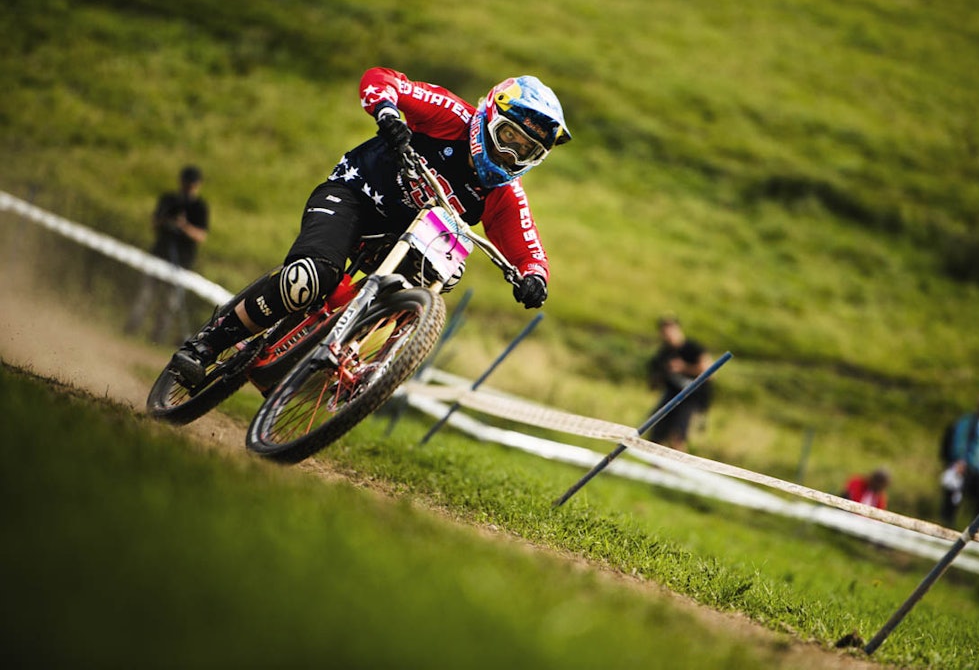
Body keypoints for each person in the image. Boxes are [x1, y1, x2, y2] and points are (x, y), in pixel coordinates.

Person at [168, 68, 570, 387]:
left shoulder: (505, 193)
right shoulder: (451, 116)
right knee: (309, 278)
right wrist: (388, 113)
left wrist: (534, 278)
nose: (510, 153)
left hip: (404, 239)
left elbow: (528, 249)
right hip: (354, 196)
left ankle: (360, 357)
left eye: (525, 150)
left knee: (448, 270)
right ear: (490, 117)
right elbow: (383, 79)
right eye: (508, 137)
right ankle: (207, 345)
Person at [125, 165, 210, 344]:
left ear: (197, 185)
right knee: (145, 296)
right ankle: (129, 331)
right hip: (159, 256)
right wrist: (167, 221)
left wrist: (184, 227)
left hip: (181, 263)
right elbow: (154, 222)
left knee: (169, 305)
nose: (188, 188)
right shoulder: (169, 200)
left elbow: (201, 235)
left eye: (191, 185)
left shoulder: (200, 207)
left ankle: (157, 339)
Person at [645, 316, 713, 452]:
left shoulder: (692, 348)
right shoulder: (664, 353)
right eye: (664, 331)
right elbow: (655, 379)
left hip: (691, 396)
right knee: (656, 434)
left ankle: (678, 461)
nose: (668, 334)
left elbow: (709, 372)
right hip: (672, 395)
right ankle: (655, 464)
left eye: (670, 330)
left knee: (677, 436)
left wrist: (684, 367)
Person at [940, 390, 979, 527]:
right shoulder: (968, 422)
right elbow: (960, 440)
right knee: (955, 496)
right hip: (965, 466)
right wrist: (959, 460)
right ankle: (947, 524)